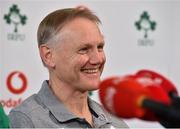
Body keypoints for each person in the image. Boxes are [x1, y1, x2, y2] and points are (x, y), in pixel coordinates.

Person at [8, 6, 128, 128]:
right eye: (84, 49)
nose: (97, 59)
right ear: (48, 56)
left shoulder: (115, 122)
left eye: (100, 47)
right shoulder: (26, 120)